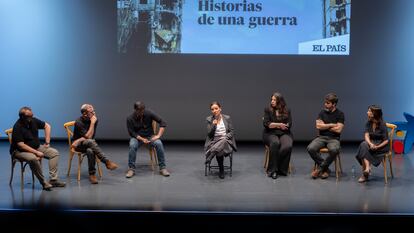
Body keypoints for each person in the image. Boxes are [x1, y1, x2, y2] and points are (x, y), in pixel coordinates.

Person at [10, 106, 66, 191]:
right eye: (29, 117)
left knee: (54, 153)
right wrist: (36, 153)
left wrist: (47, 142)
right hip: (19, 151)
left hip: (36, 147)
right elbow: (21, 145)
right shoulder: (17, 127)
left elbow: (47, 126)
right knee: (33, 158)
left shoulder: (33, 120)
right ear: (22, 117)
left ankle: (53, 180)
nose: (32, 118)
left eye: (32, 115)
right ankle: (44, 183)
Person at [72, 104, 119, 184]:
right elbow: (88, 137)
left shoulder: (94, 119)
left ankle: (92, 174)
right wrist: (92, 124)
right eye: (91, 112)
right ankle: (106, 162)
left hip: (88, 143)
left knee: (90, 150)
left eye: (94, 111)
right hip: (78, 146)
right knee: (90, 142)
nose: (94, 113)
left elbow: (91, 136)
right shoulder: (78, 122)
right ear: (85, 114)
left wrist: (80, 139)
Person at [126, 101, 170, 178]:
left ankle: (162, 168)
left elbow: (162, 122)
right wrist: (142, 139)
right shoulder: (130, 118)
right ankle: (131, 169)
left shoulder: (149, 113)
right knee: (132, 145)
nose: (141, 113)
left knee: (159, 143)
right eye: (139, 111)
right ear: (135, 110)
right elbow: (131, 133)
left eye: (143, 111)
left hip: (150, 136)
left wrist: (158, 135)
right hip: (137, 138)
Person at [307, 93, 345, 179]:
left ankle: (320, 168)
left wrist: (325, 126)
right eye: (325, 102)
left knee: (334, 150)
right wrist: (332, 125)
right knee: (310, 148)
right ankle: (325, 169)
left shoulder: (340, 114)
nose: (325, 104)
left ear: (334, 104)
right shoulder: (322, 112)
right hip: (321, 137)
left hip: (334, 138)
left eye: (328, 103)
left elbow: (339, 130)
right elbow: (318, 126)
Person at [263, 92, 293, 179]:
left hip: (284, 133)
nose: (272, 101)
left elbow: (289, 124)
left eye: (274, 100)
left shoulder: (287, 110)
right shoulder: (267, 109)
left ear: (280, 101)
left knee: (287, 146)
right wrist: (280, 124)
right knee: (275, 143)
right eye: (271, 99)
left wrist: (276, 125)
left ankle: (281, 168)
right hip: (270, 133)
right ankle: (273, 170)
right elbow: (266, 124)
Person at [355, 105, 389, 183]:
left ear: (374, 114)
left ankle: (365, 174)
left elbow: (386, 141)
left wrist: (377, 147)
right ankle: (367, 169)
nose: (367, 112)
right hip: (372, 143)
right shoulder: (369, 123)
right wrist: (370, 144)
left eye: (369, 111)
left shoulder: (382, 124)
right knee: (363, 144)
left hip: (381, 145)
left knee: (363, 149)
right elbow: (366, 135)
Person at [205, 101, 237, 179]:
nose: (214, 110)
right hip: (214, 142)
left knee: (223, 141)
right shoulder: (209, 119)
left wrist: (226, 137)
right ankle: (221, 169)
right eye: (212, 109)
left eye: (216, 108)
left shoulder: (227, 118)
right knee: (220, 149)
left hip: (226, 142)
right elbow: (209, 134)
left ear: (220, 109)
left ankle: (211, 155)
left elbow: (232, 131)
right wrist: (213, 125)